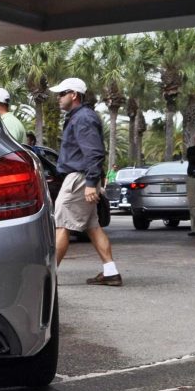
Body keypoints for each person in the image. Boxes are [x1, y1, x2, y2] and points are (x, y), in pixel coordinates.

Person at [50, 77, 122, 286]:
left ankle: (48, 276)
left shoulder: (83, 118)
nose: (58, 98)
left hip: (79, 178)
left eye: (62, 93)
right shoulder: (79, 117)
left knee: (62, 224)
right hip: (82, 177)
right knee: (93, 226)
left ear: (74, 95)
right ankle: (111, 272)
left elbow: (94, 152)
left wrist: (91, 182)